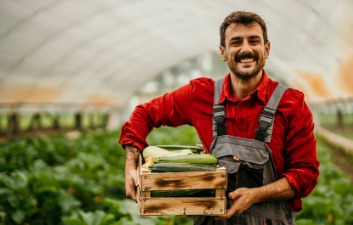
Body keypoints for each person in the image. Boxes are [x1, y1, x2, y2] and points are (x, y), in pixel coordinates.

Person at [119, 11, 319, 225]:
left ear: (266, 49)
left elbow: (306, 175)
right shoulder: (200, 95)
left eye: (254, 41)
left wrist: (256, 194)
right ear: (223, 52)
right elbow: (144, 114)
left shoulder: (291, 104)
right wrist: (132, 163)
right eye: (236, 42)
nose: (246, 49)